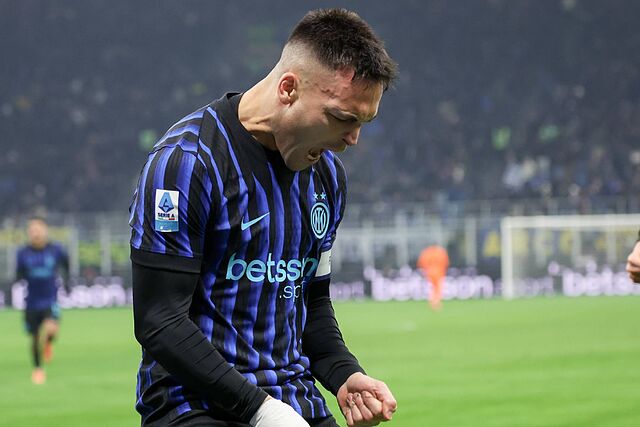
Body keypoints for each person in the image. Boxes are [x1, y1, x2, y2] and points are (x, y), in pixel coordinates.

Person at [129, 8, 398, 427]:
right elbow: (160, 321)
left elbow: (311, 302)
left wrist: (345, 374)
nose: (352, 139)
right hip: (194, 407)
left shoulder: (327, 177)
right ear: (288, 89)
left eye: (363, 122)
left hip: (292, 402)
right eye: (342, 118)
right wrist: (260, 410)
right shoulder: (187, 163)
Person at [16, 216, 69, 384]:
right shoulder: (23, 253)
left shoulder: (55, 250)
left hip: (50, 299)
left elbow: (66, 263)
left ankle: (47, 342)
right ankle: (38, 369)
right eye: (32, 230)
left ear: (45, 231)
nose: (36, 233)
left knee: (50, 329)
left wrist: (67, 282)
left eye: (38, 229)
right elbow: (19, 274)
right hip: (31, 302)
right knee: (34, 337)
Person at [417, 245, 449, 310]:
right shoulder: (441, 252)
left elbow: (421, 263)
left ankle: (432, 300)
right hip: (439, 272)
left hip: (429, 272)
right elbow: (446, 262)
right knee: (438, 287)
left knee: (432, 287)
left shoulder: (426, 253)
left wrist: (425, 270)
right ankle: (436, 302)